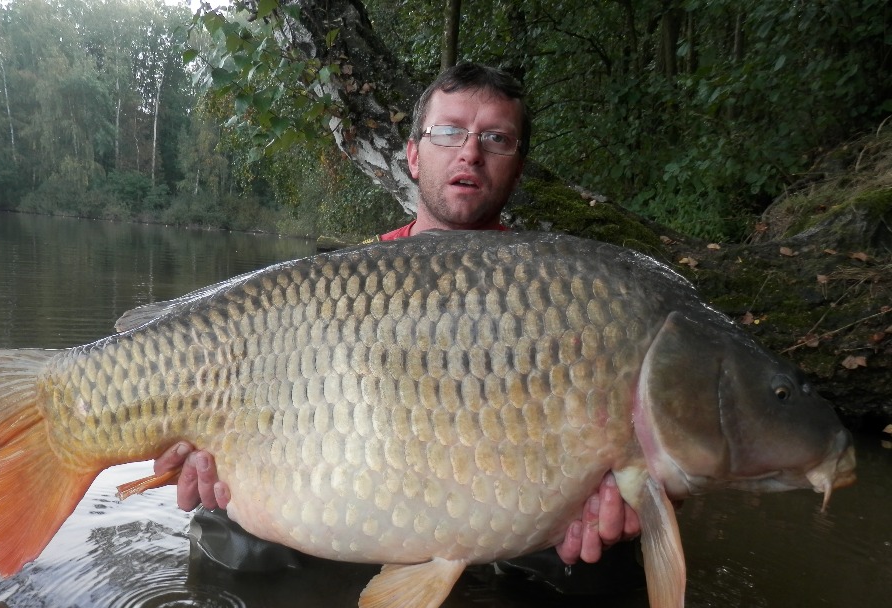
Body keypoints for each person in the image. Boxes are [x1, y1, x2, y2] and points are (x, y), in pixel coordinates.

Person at [158, 62, 639, 578]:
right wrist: (203, 452)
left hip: (503, 508)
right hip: (356, 490)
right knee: (230, 531)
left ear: (517, 168)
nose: (470, 152)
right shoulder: (346, 278)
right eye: (448, 132)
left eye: (496, 139)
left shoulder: (560, 292)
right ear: (412, 155)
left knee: (603, 561)